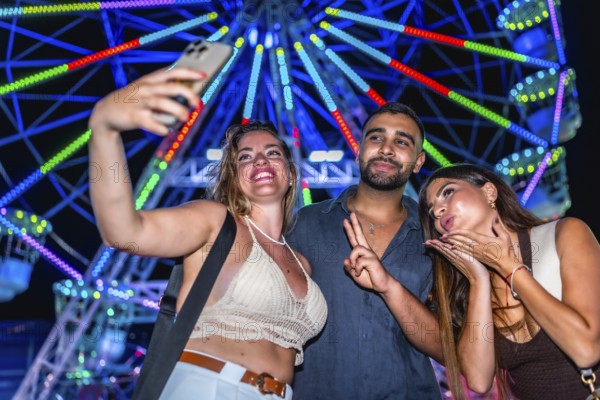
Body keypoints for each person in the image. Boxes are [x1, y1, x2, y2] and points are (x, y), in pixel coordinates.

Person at [88, 67, 327, 400]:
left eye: (272, 153)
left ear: (289, 174)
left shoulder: (302, 263)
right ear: (233, 178)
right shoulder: (215, 222)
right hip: (210, 387)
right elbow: (125, 232)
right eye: (246, 156)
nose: (260, 160)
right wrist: (104, 130)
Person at [286, 102, 443, 400]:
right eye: (376, 137)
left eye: (401, 142)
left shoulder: (437, 237)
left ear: (419, 161)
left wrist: (390, 288)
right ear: (358, 149)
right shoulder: (303, 225)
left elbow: (450, 349)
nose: (386, 148)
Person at [418, 163, 600, 400]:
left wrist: (509, 267)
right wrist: (479, 280)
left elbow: (586, 350)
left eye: (448, 192)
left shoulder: (565, 234)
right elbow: (478, 380)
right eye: (432, 212)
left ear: (489, 192)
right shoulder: (471, 287)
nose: (439, 210)